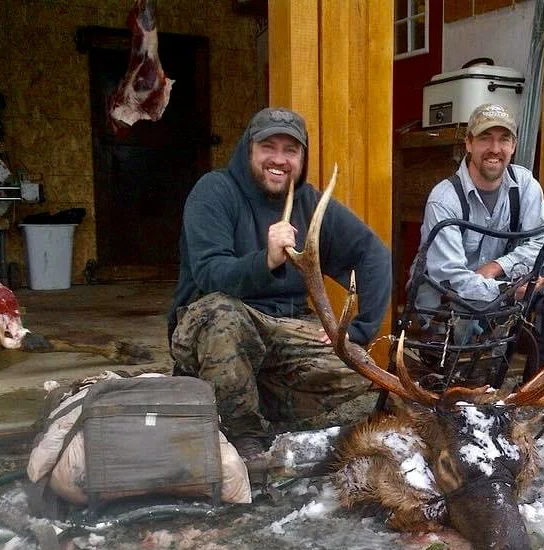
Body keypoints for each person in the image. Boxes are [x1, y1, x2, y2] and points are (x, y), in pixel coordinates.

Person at [168, 107, 391, 464]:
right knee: (220, 314)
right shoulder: (214, 191)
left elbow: (374, 254)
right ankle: (245, 437)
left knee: (362, 372)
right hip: (220, 325)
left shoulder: (310, 202)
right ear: (248, 149)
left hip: (284, 330)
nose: (279, 159)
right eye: (268, 147)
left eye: (291, 150)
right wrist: (266, 259)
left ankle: (250, 399)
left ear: (302, 157)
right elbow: (210, 273)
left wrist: (361, 331)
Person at [410, 102, 544, 426]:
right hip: (448, 300)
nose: (495, 149)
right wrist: (507, 291)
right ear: (469, 144)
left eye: (504, 139)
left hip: (497, 288)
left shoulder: (525, 185)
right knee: (467, 309)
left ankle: (539, 391)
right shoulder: (444, 199)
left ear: (514, 146)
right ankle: (463, 394)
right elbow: (449, 277)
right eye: (486, 138)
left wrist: (500, 269)